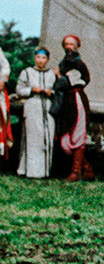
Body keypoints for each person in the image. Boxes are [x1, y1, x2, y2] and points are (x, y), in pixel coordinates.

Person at [15, 48, 56, 179]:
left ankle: (44, 171)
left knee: (47, 137)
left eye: (43, 58)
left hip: (48, 107)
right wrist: (32, 90)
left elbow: (58, 91)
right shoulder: (27, 72)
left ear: (47, 59)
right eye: (38, 57)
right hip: (33, 106)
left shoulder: (52, 74)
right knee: (32, 139)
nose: (40, 60)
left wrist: (51, 93)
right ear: (35, 58)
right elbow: (19, 90)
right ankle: (30, 171)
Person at [55, 34, 91, 181]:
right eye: (66, 44)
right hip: (66, 101)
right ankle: (87, 168)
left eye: (72, 44)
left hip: (77, 100)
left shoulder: (78, 64)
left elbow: (67, 82)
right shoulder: (63, 63)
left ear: (77, 46)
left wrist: (59, 77)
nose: (69, 47)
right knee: (64, 139)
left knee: (78, 132)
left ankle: (75, 172)